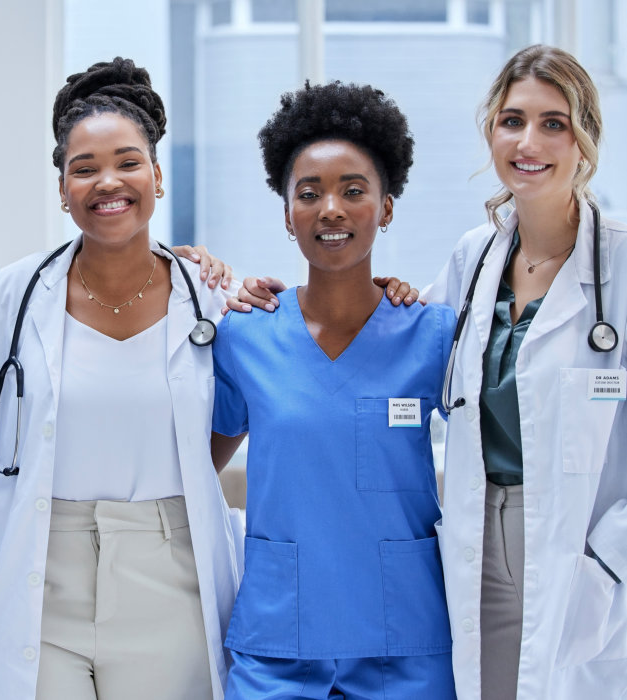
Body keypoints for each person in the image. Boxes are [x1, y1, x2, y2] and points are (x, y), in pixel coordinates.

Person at [0, 57, 241, 700]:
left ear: (158, 175)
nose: (106, 182)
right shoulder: (8, 296)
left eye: (128, 161)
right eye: (83, 169)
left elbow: (231, 421)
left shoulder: (214, 300)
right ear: (61, 187)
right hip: (40, 572)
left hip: (171, 575)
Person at [211, 82, 457, 699]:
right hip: (279, 642)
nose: (331, 209)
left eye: (354, 191)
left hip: (405, 640)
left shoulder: (434, 335)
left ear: (387, 206)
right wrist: (182, 266)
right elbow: (192, 466)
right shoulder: (245, 335)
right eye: (309, 193)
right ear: (287, 212)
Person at [424, 45, 627, 699]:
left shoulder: (619, 268)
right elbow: (406, 353)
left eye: (552, 122)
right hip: (477, 533)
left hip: (580, 545)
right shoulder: (472, 257)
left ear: (583, 138)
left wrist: (609, 562)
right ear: (490, 131)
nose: (527, 141)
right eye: (511, 120)